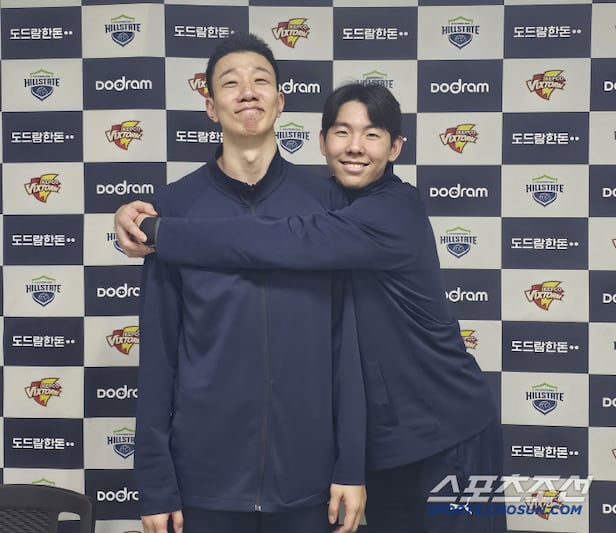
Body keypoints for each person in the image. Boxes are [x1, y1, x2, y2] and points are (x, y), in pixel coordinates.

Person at [118, 83, 507, 533]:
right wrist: (132, 212)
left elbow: (275, 237)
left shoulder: (395, 208)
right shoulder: (330, 202)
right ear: (321, 142)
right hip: (386, 446)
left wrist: (159, 231)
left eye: (372, 135)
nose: (355, 147)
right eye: (342, 132)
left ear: (396, 147)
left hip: (450, 432)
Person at [131, 33, 367, 533]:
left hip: (310, 482)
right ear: (211, 107)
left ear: (280, 102)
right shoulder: (172, 210)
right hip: (202, 483)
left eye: (261, 81)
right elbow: (158, 355)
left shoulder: (328, 203)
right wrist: (155, 482)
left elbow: (348, 344)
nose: (247, 92)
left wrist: (351, 464)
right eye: (230, 83)